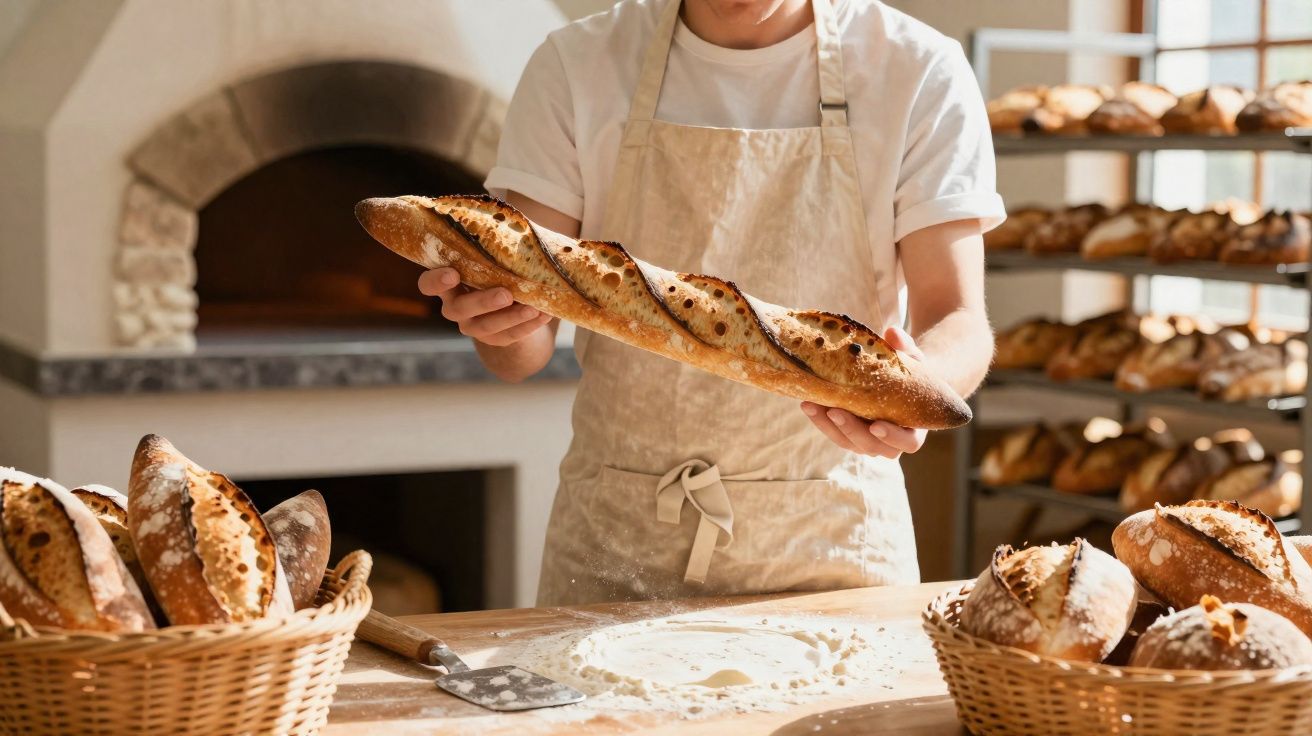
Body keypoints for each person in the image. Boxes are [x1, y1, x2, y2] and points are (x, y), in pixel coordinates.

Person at [419, 0, 1002, 605]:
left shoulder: (916, 69)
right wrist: (498, 325)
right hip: (616, 544)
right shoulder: (578, 64)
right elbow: (523, 349)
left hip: (833, 545)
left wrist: (915, 389)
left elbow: (956, 316)